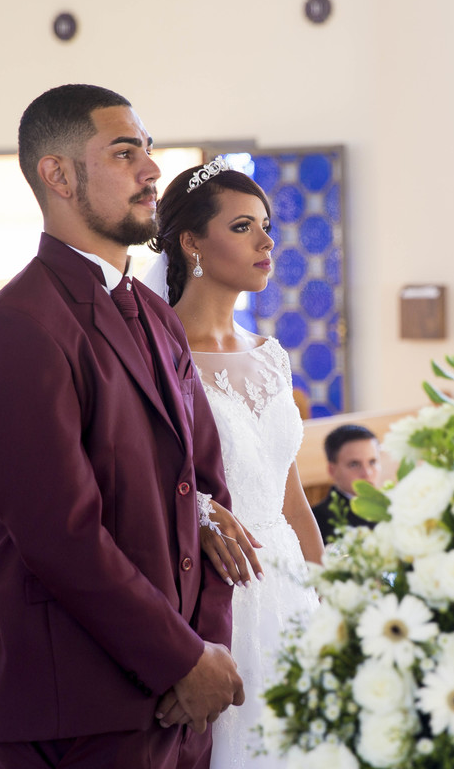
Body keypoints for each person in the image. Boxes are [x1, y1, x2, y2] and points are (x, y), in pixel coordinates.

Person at [0, 84, 242, 769]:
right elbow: (60, 534)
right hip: (76, 704)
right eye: (123, 152)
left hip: (177, 699)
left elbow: (206, 498)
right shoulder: (16, 329)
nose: (151, 170)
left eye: (147, 150)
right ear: (57, 174)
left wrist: (205, 649)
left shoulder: (155, 312)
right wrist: (178, 657)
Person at [145, 158, 323, 769]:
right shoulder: (155, 353)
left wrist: (324, 594)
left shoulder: (271, 355)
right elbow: (138, 479)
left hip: (289, 587)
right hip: (215, 592)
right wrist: (196, 508)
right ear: (191, 242)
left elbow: (289, 495)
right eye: (244, 226)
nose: (268, 241)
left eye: (267, 225)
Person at [311, 424, 381, 543]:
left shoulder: (392, 507)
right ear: (332, 470)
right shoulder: (317, 521)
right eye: (354, 464)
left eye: (372, 462)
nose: (367, 473)